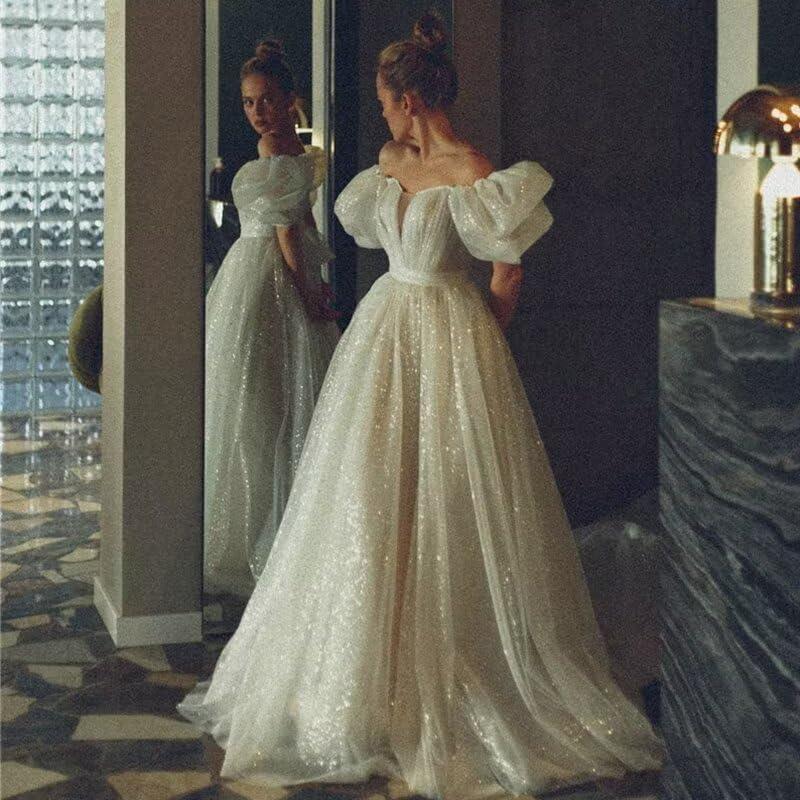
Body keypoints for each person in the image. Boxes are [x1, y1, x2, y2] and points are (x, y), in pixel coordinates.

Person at [180, 15, 663, 798]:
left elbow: (507, 271)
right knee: (368, 491)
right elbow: (372, 233)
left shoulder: (474, 170)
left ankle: (454, 669)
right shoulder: (389, 162)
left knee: (450, 498)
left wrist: (481, 338)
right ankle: (366, 672)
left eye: (384, 100)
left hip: (449, 328)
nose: (380, 113)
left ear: (409, 99)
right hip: (386, 327)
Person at [203, 40, 339, 598]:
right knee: (269, 400)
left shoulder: (278, 149)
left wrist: (307, 290)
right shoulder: (286, 147)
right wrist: (315, 277)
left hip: (268, 271)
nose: (256, 111)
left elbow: (289, 230)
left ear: (290, 100)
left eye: (265, 99)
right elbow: (302, 221)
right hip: (259, 268)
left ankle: (273, 534)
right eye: (248, 102)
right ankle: (279, 531)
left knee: (265, 403)